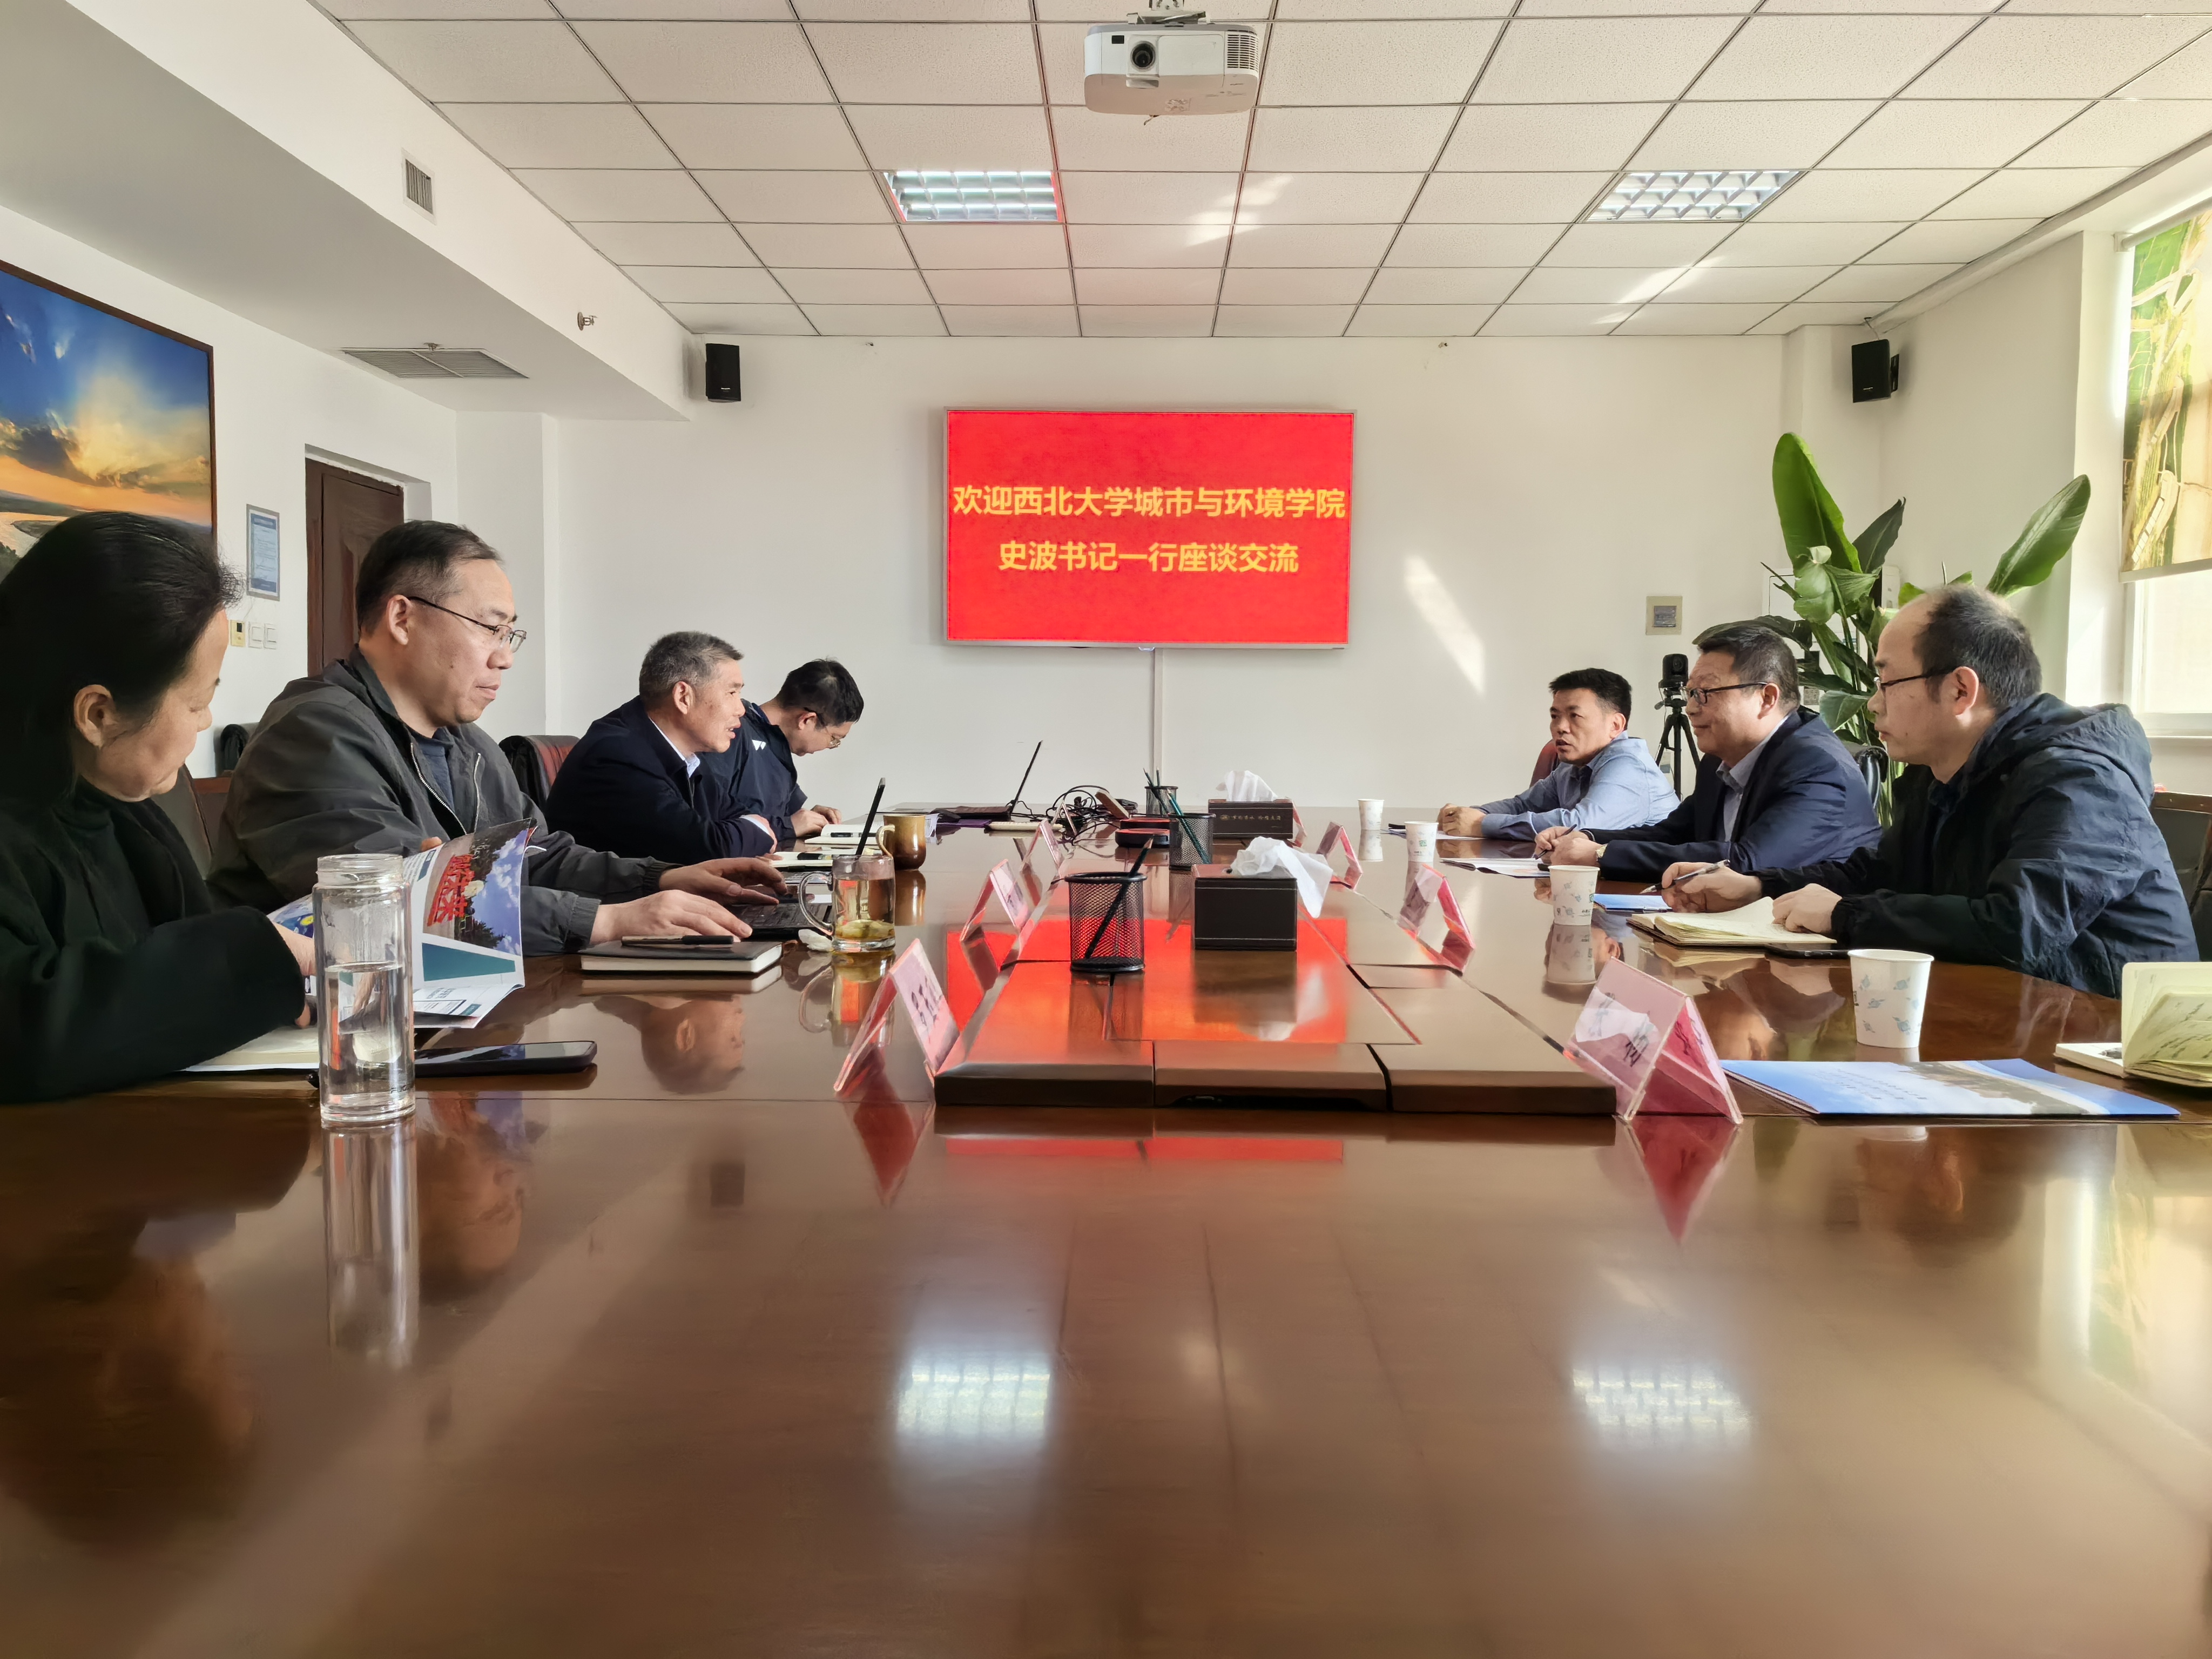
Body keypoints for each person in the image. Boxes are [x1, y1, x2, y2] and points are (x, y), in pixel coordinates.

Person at [210, 521, 784, 953]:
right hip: (332, 1034)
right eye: (490, 628)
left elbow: (536, 858)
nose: (504, 657)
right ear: (403, 618)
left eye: (510, 634)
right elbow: (392, 905)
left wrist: (659, 878)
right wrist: (607, 921)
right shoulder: (314, 734)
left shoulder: (469, 745)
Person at [1663, 585, 2196, 997]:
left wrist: (1845, 915)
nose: (1873, 704)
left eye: (1886, 682)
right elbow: (1879, 873)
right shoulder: (1937, 770)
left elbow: (2018, 928)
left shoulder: (2079, 781)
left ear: (1960, 690)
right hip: (1998, 1018)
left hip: (2112, 1042)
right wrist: (1758, 886)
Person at [0, 512, 313, 1102]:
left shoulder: (127, 811)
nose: (207, 721)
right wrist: (251, 965)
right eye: (196, 704)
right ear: (98, 714)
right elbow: (24, 1027)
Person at [1535, 624, 1880, 880]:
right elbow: (1671, 834)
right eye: (1690, 693)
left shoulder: (1815, 764)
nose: (1690, 708)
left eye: (1705, 693)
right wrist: (1585, 837)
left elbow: (1748, 862)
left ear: (1766, 698)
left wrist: (1601, 855)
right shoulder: (1720, 758)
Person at [544, 631, 778, 862]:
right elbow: (708, 850)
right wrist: (753, 834)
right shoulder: (616, 755)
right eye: (732, 692)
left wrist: (746, 832)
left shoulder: (686, 756)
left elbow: (736, 815)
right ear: (684, 697)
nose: (741, 709)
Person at [1439, 669, 1676, 840]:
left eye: (1575, 716)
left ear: (1615, 725)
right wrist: (1468, 815)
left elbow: (1578, 826)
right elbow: (1523, 805)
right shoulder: (1573, 765)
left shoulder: (1629, 765)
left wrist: (1481, 824)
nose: (1560, 727)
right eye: (1555, 716)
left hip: (1647, 887)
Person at [702, 658, 864, 847]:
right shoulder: (731, 734)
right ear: (807, 720)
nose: (831, 746)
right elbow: (710, 822)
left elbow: (781, 817)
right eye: (835, 738)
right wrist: (788, 826)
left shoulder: (778, 745)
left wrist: (808, 819)